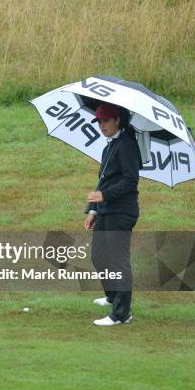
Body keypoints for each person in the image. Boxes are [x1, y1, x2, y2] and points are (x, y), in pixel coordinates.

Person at [84, 103, 141, 327]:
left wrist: (103, 196)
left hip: (122, 211)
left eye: (105, 121)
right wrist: (93, 210)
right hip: (107, 210)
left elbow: (130, 181)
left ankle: (121, 314)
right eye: (98, 121)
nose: (101, 125)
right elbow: (105, 180)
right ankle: (112, 296)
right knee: (99, 257)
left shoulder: (127, 145)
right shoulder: (110, 147)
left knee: (118, 262)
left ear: (117, 119)